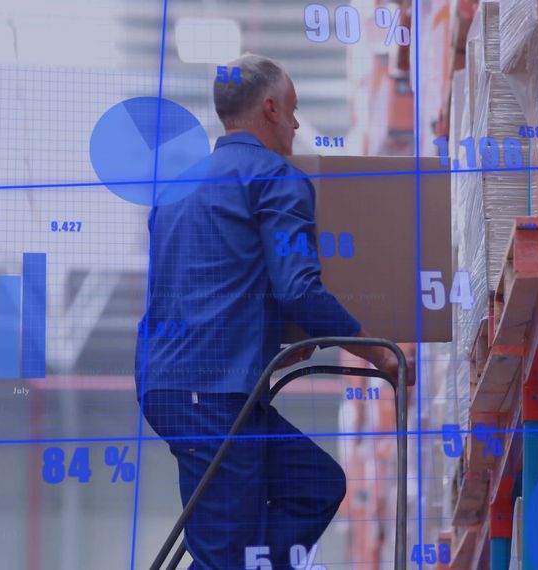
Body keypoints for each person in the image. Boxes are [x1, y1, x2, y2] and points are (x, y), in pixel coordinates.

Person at [137, 54, 403, 569]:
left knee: (315, 484)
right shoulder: (273, 178)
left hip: (194, 385)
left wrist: (259, 349)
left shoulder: (177, 187)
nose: (298, 123)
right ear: (271, 108)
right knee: (226, 552)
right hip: (210, 394)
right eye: (295, 109)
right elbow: (298, 289)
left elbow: (204, 287)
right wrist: (379, 356)